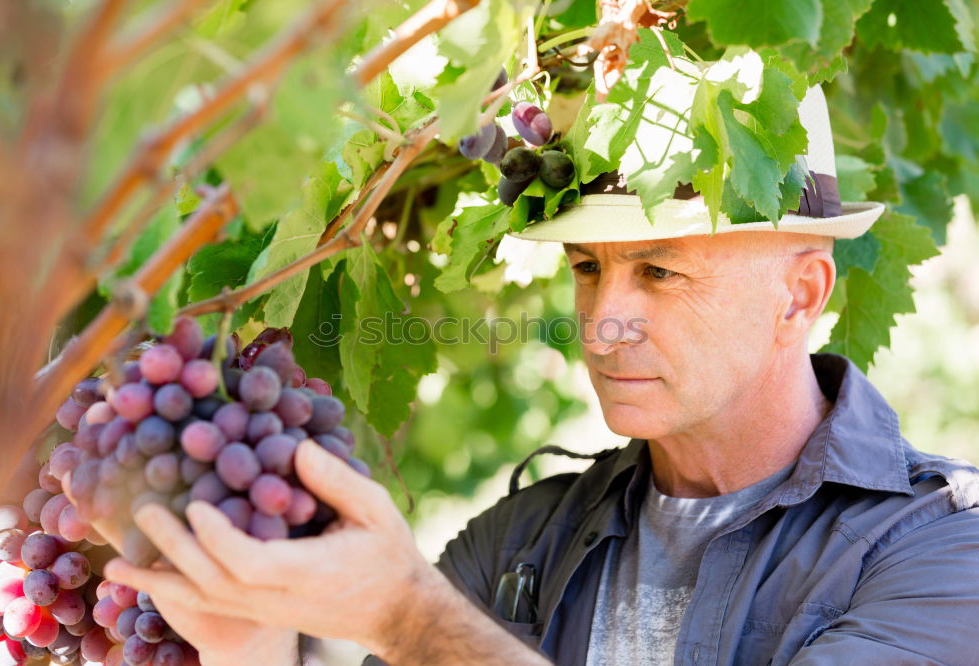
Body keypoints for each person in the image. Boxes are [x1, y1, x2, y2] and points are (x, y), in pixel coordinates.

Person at [99, 85, 979, 665]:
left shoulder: (944, 548)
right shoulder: (517, 540)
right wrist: (247, 641)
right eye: (589, 268)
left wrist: (409, 618)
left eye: (660, 272)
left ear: (800, 294)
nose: (600, 322)